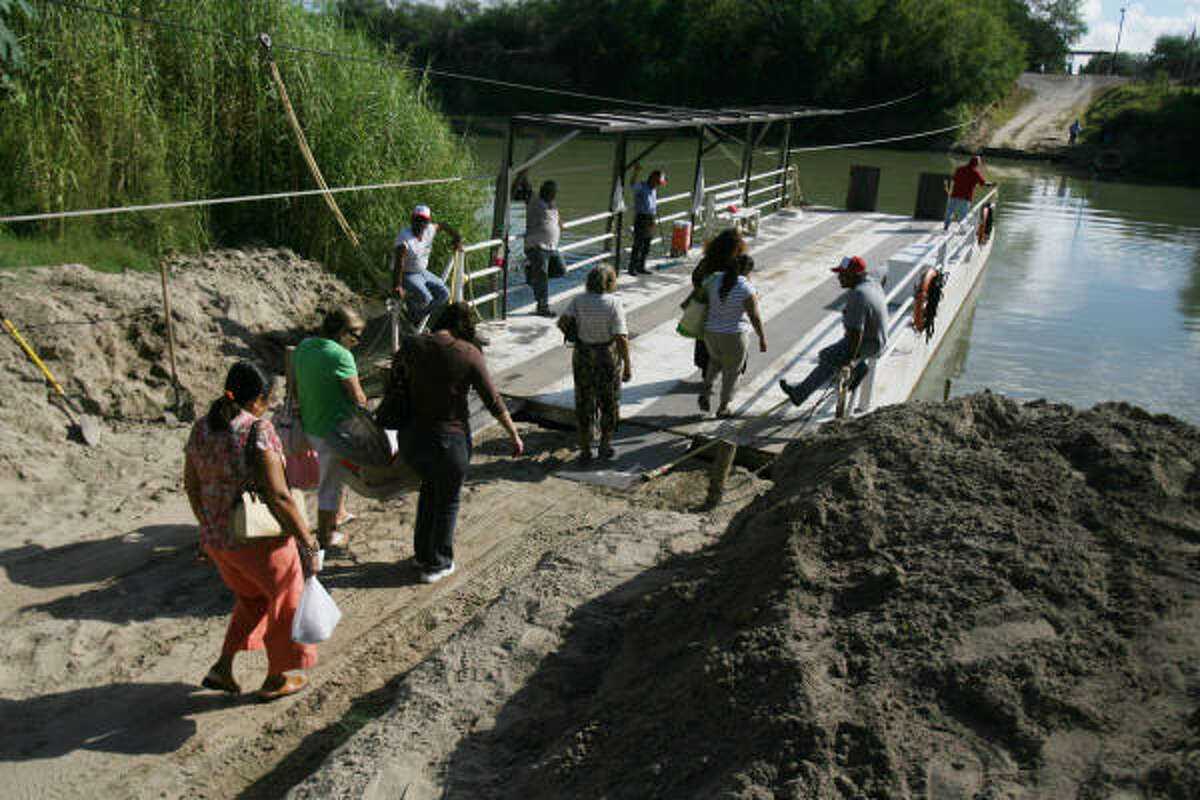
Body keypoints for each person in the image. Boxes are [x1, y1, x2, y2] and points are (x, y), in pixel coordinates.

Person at [184, 360, 321, 701]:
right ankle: (277, 678)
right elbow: (278, 496)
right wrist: (307, 539)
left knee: (252, 599)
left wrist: (206, 530)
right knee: (285, 600)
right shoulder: (257, 431)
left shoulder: (201, 428)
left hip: (220, 542)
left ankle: (224, 667)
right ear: (259, 399)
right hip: (257, 541)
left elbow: (191, 486)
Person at [390, 302, 524, 583]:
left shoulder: (411, 344)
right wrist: (513, 434)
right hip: (448, 440)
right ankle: (437, 564)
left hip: (412, 438)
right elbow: (493, 401)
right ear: (467, 328)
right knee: (448, 501)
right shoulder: (469, 353)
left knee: (429, 491)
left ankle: (421, 554)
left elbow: (394, 381)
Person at [293, 307, 367, 550]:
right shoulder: (342, 356)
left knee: (333, 475)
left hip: (310, 423)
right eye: (356, 336)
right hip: (333, 430)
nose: (358, 342)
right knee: (330, 484)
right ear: (343, 332)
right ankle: (327, 535)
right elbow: (358, 398)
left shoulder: (305, 346)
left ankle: (340, 513)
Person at [779, 256, 889, 408]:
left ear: (854, 276)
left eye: (842, 274)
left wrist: (850, 361)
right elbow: (884, 270)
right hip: (878, 337)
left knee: (827, 357)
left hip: (869, 343)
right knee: (829, 356)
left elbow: (856, 334)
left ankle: (800, 394)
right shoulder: (872, 280)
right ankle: (859, 366)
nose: (838, 277)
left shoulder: (858, 295)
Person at [557, 265, 631, 463]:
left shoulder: (578, 300)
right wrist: (628, 366)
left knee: (584, 400)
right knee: (609, 401)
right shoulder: (614, 303)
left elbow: (562, 322)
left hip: (582, 354)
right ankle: (605, 446)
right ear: (610, 282)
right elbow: (621, 338)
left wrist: (573, 334)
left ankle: (585, 449)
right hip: (606, 356)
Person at [700, 253, 767, 418]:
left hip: (710, 332)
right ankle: (723, 407)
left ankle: (706, 390)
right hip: (734, 335)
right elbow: (754, 316)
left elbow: (703, 291)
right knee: (732, 372)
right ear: (748, 270)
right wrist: (762, 338)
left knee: (714, 363)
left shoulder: (715, 279)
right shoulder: (745, 287)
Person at [392, 204, 463, 330]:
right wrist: (397, 286)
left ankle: (415, 315)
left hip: (422, 271)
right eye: (417, 219)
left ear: (427, 222)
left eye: (424, 220)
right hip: (407, 274)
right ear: (412, 219)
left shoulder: (430, 229)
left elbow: (444, 225)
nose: (420, 223)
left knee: (444, 294)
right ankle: (412, 309)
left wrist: (456, 238)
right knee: (426, 297)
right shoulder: (405, 239)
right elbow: (399, 263)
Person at [689, 228, 747, 376]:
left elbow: (696, 278)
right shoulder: (738, 262)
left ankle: (706, 370)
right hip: (730, 310)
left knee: (706, 342)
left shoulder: (708, 260)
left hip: (708, 309)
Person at [524, 180, 565, 317]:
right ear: (543, 191)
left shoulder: (551, 203)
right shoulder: (535, 201)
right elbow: (524, 184)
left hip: (551, 247)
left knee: (561, 269)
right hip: (536, 246)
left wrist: (559, 222)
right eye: (550, 192)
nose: (553, 194)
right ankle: (542, 307)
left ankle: (532, 274)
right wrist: (523, 176)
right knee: (542, 276)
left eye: (554, 192)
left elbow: (555, 216)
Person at [628, 163, 666, 276]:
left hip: (651, 218)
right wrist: (636, 172)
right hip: (641, 218)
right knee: (638, 244)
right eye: (658, 182)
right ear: (653, 179)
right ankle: (632, 267)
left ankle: (641, 266)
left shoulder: (654, 189)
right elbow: (632, 185)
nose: (659, 185)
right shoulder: (642, 186)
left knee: (647, 245)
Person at [944, 155, 994, 231]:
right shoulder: (975, 173)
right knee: (963, 214)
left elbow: (954, 179)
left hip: (955, 194)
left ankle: (946, 226)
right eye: (979, 163)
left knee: (950, 211)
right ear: (977, 164)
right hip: (966, 197)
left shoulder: (959, 169)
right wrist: (991, 184)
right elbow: (983, 184)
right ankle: (961, 229)